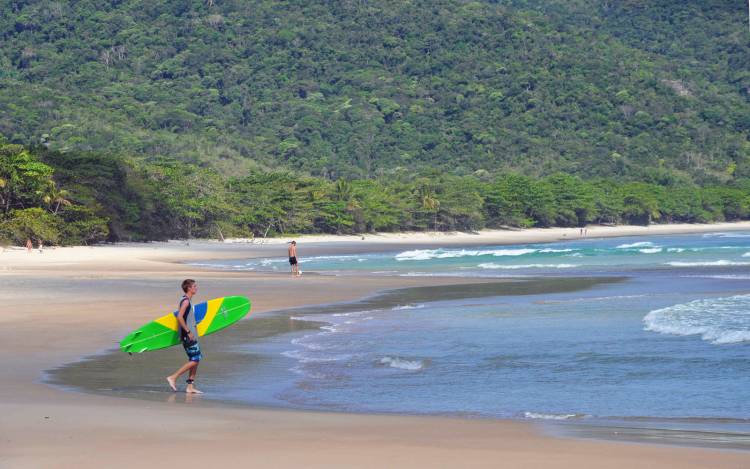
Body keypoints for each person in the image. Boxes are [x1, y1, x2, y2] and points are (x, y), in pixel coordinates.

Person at [166, 279, 203, 394]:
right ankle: (173, 377)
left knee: (196, 359)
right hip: (188, 336)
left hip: (190, 335)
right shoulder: (186, 301)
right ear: (189, 288)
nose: (196, 288)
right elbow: (180, 317)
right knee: (195, 359)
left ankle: (190, 386)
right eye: (194, 286)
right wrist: (188, 332)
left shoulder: (187, 300)